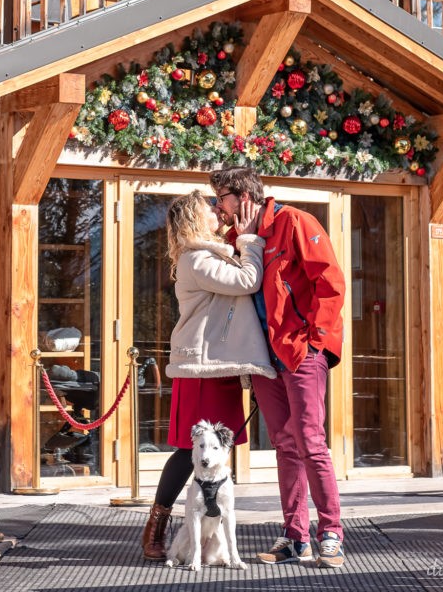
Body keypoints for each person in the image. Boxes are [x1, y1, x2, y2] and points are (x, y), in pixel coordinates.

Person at [210, 166, 346, 568]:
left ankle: (331, 531)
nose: (219, 208)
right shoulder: (238, 240)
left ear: (244, 196)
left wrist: (315, 340)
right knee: (285, 446)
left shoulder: (295, 221)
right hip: (265, 360)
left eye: (222, 199)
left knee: (310, 441)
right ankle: (295, 536)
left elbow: (330, 283)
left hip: (301, 353)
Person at [141, 189, 275, 560]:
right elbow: (248, 280)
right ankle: (157, 522)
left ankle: (210, 528)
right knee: (190, 449)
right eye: (210, 207)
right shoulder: (197, 258)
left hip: (219, 365)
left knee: (214, 450)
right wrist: (250, 239)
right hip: (202, 367)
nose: (218, 210)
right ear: (194, 220)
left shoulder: (212, 253)